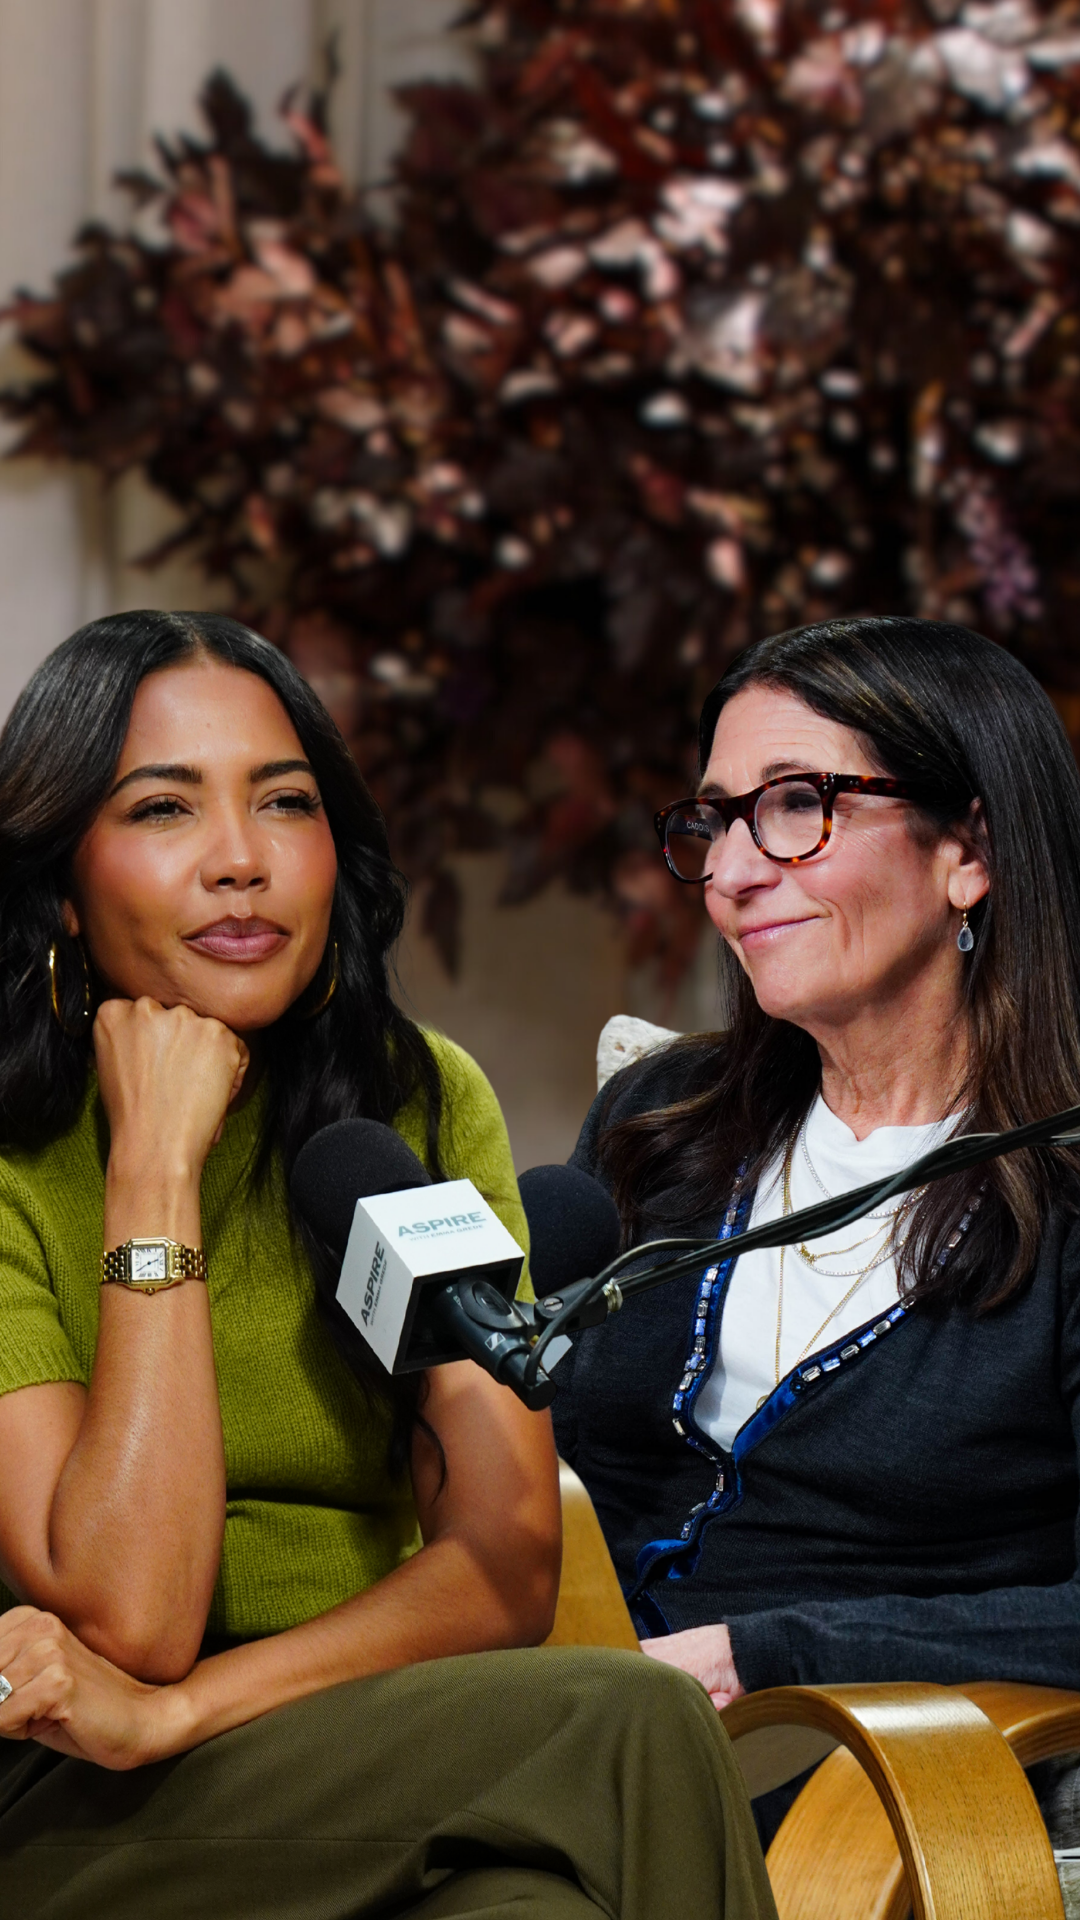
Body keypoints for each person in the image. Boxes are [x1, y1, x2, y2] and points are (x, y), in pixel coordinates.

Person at [0, 612, 776, 1920]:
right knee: (635, 1720)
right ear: (65, 883)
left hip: (354, 1741)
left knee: (538, 1910)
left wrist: (187, 1711)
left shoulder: (410, 1109)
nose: (240, 862)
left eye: (285, 802)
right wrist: (153, 1169)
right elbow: (129, 1621)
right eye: (164, 810)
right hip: (64, 1793)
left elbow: (502, 1565)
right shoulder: (18, 1154)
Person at [552, 615, 1080, 1840]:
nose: (732, 873)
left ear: (970, 849)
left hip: (862, 1770)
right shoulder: (657, 1121)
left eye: (798, 806)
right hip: (571, 1723)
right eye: (717, 819)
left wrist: (765, 1654)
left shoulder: (1064, 1191)